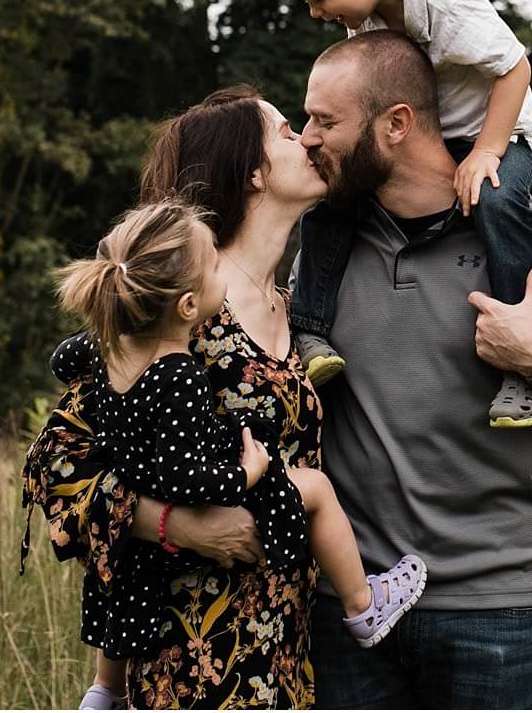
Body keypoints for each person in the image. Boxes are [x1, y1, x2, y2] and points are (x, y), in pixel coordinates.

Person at [295, 30, 532, 709]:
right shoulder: (321, 253)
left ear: (396, 123)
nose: (306, 137)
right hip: (346, 607)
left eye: (325, 120)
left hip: (495, 607)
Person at [49, 196, 429, 711]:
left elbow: (64, 358)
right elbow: (174, 478)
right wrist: (245, 476)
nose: (219, 273)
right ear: (186, 306)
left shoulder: (110, 346)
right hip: (204, 575)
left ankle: (105, 690)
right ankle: (363, 604)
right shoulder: (180, 366)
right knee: (312, 488)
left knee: (124, 587)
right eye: (212, 267)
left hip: (256, 617)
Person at [23, 89, 334, 709]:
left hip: (286, 646)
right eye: (285, 132)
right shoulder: (178, 310)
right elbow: (57, 469)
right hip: (187, 656)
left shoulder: (303, 307)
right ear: (253, 171)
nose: (308, 139)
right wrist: (174, 524)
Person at [266, 0, 532, 429]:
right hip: (437, 136)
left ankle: (529, 360)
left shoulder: (449, 3)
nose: (314, 13)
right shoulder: (368, 12)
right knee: (336, 202)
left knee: (496, 205)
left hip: (501, 133)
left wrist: (489, 152)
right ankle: (309, 328)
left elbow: (514, 67)